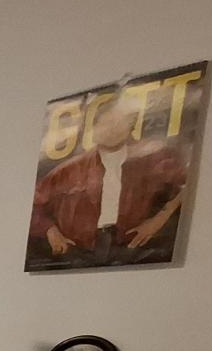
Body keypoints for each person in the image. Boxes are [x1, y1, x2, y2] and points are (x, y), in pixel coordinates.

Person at [28, 97, 188, 269]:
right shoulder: (69, 170)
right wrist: (50, 231)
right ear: (93, 128)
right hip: (80, 250)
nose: (112, 129)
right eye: (106, 123)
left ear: (130, 127)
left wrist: (159, 220)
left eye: (119, 123)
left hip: (134, 247)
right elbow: (34, 205)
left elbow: (187, 187)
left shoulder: (153, 158)